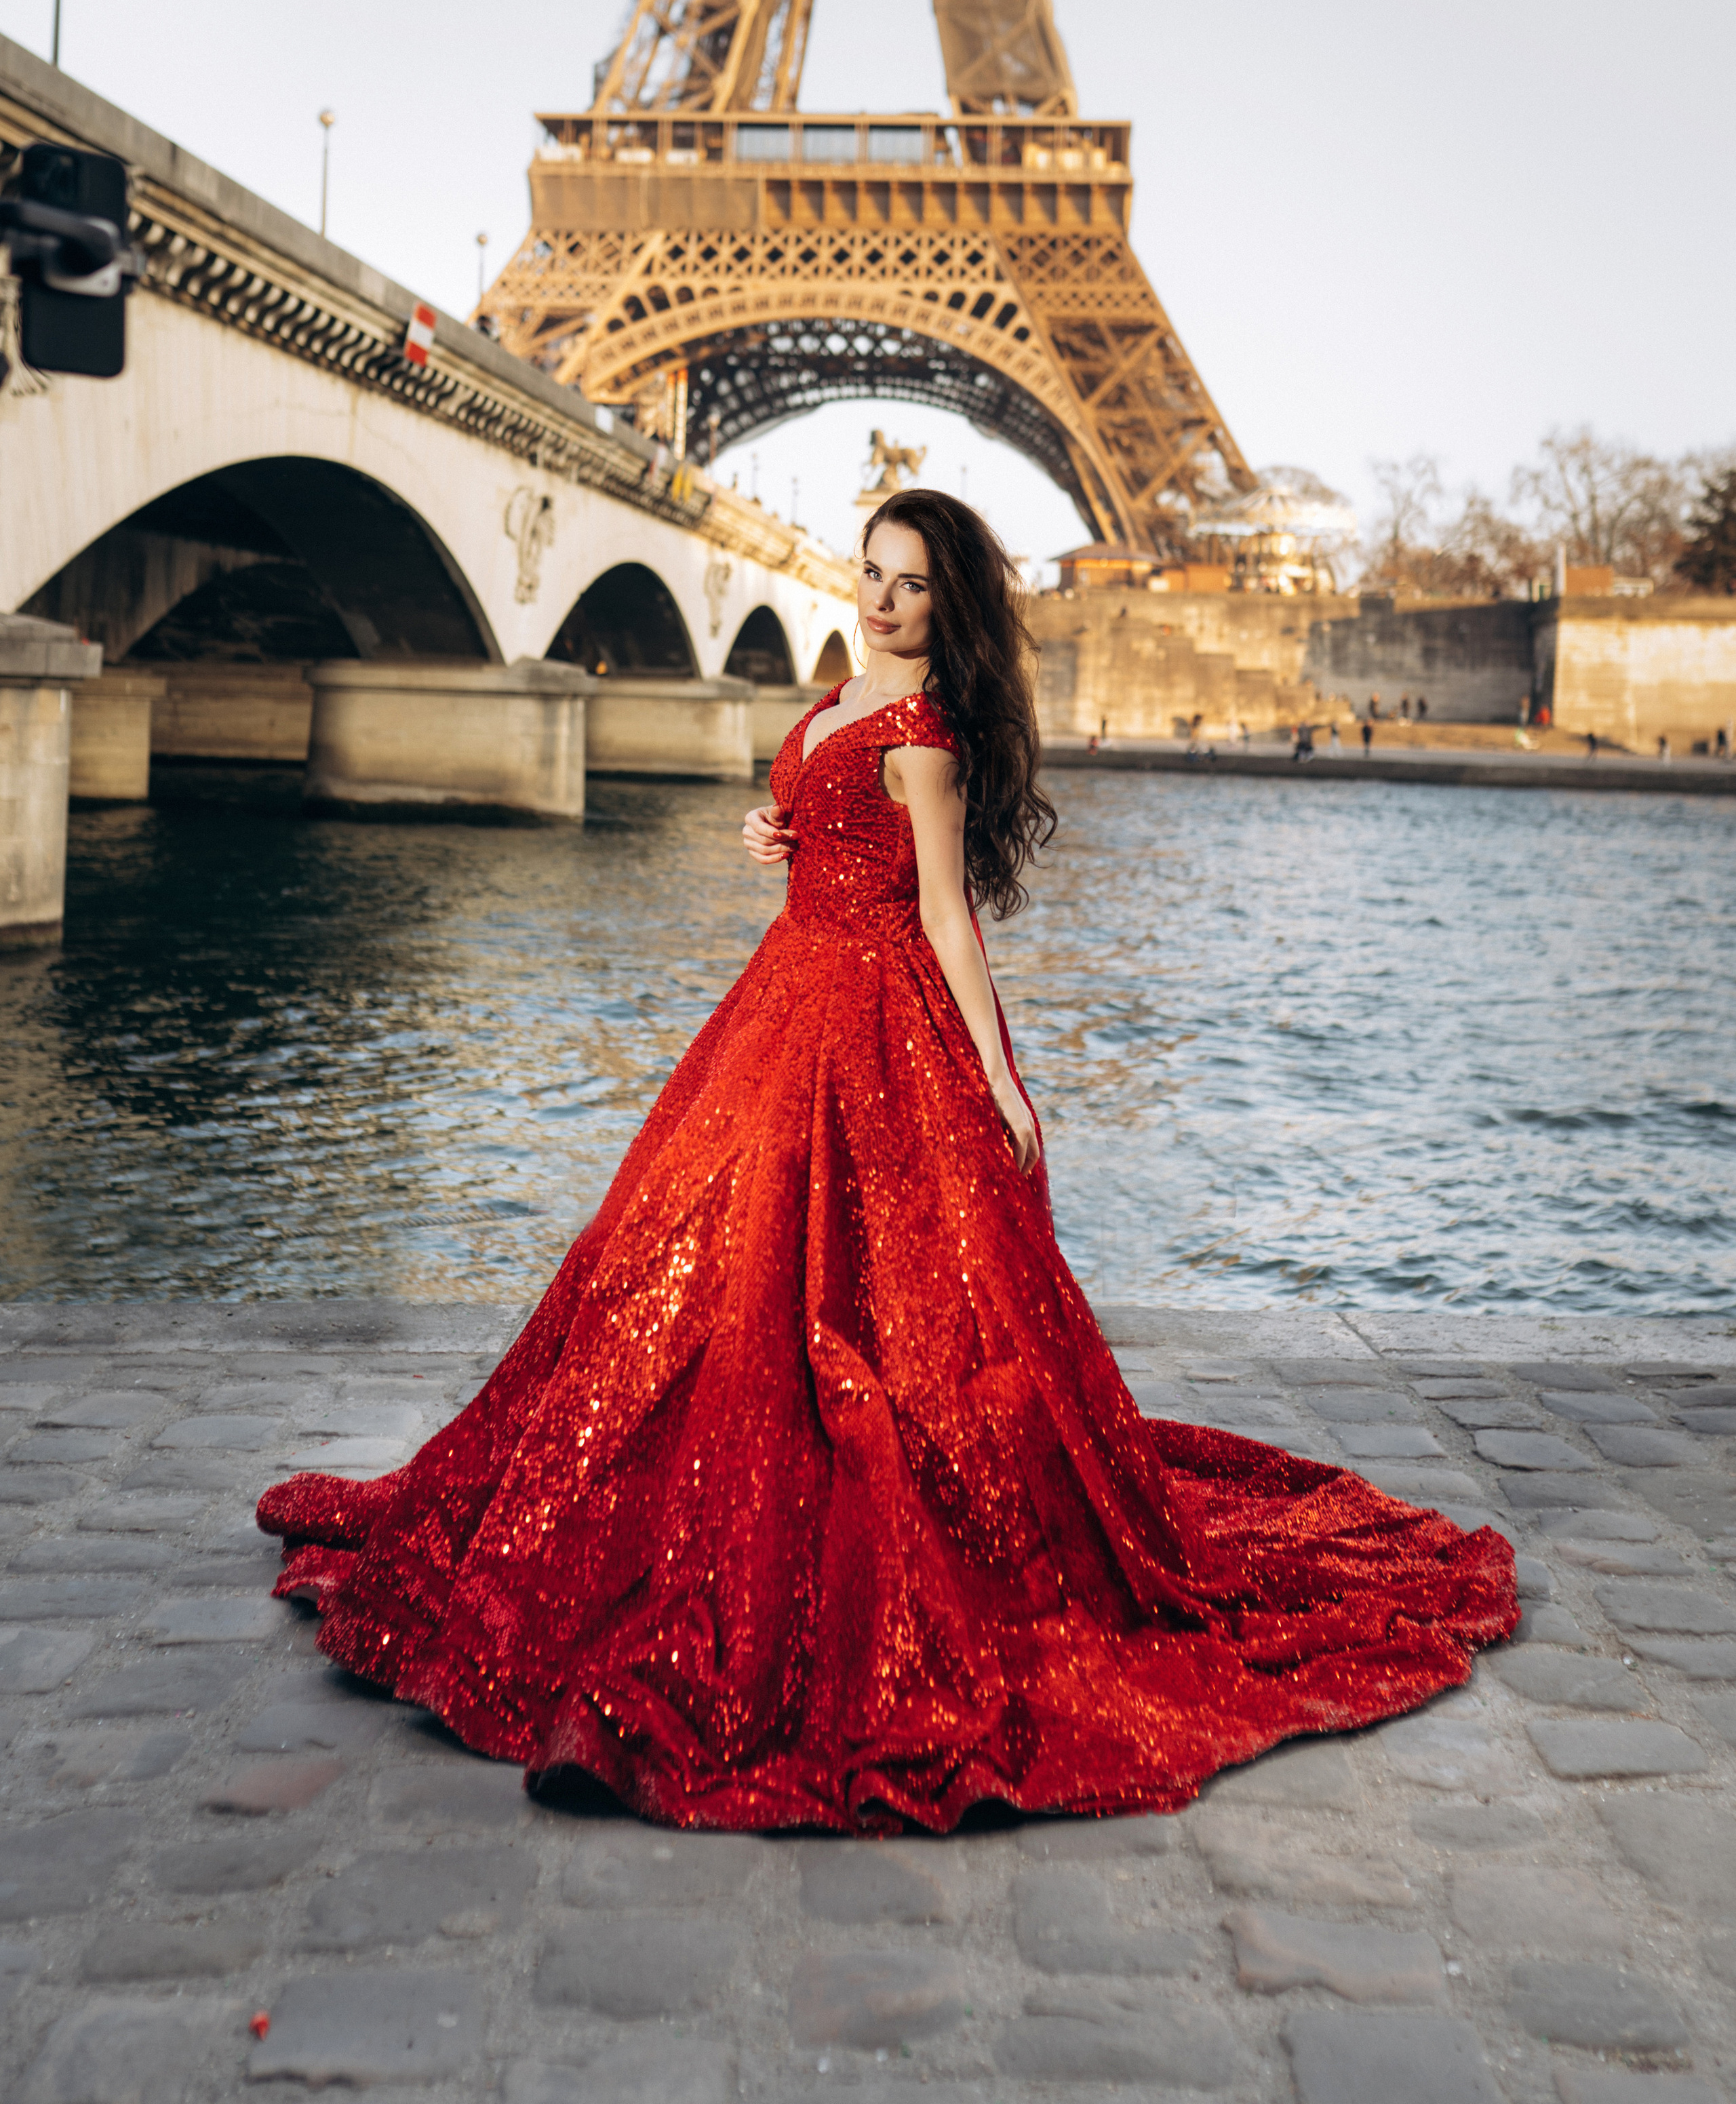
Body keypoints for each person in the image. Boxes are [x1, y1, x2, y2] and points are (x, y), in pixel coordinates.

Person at [257, 492, 1515, 1834]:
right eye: (869, 575)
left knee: (854, 1290)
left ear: (946, 602)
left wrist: (993, 1076)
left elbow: (942, 914)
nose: (880, 599)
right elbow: (812, 830)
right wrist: (772, 839)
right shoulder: (844, 698)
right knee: (704, 1258)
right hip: (785, 994)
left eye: (909, 585)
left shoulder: (921, 736)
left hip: (870, 1013)